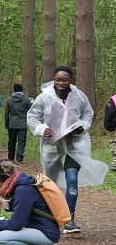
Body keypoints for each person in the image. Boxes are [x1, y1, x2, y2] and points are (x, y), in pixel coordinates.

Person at [27, 66, 108, 234]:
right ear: (54, 80)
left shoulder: (79, 96)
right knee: (50, 183)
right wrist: (42, 129)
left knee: (72, 181)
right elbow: (32, 116)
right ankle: (48, 217)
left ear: (70, 80)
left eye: (65, 80)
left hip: (74, 146)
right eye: (58, 80)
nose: (61, 83)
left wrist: (83, 127)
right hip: (51, 146)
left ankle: (70, 219)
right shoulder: (44, 97)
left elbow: (88, 115)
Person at [0, 159, 59, 245]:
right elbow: (28, 206)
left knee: (0, 238)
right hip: (36, 227)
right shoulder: (21, 184)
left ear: (0, 179)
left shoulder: (23, 190)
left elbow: (16, 225)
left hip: (46, 233)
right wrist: (9, 205)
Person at [4, 83, 32, 163]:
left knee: (11, 141)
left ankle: (11, 157)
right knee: (22, 141)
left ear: (14, 89)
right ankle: (19, 158)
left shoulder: (9, 100)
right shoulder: (26, 99)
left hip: (12, 124)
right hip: (22, 123)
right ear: (22, 90)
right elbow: (31, 111)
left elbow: (6, 114)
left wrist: (7, 124)